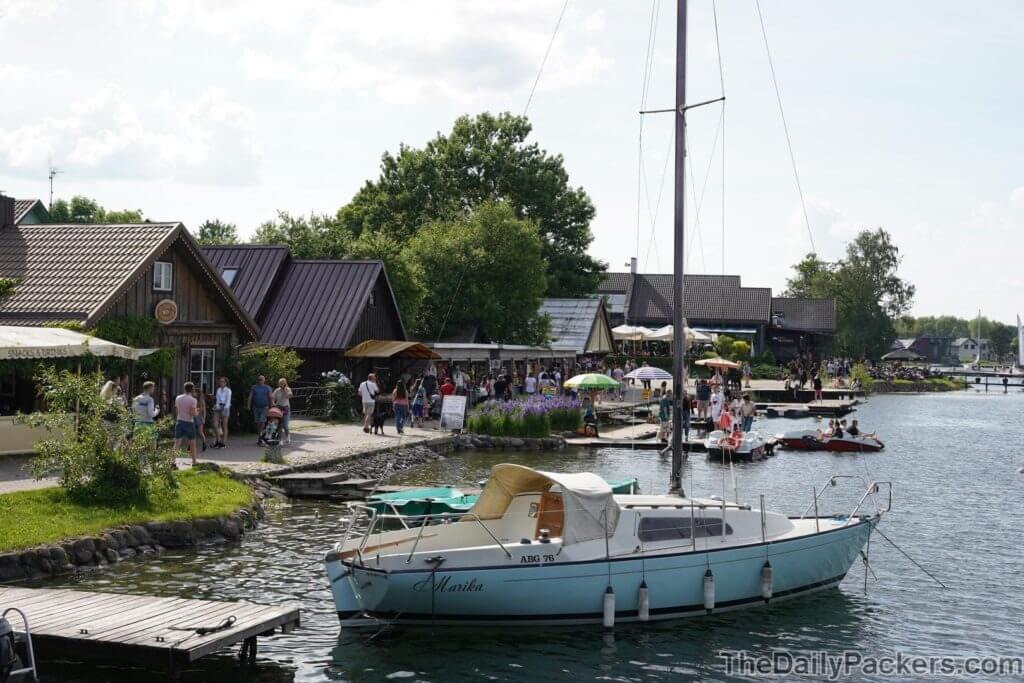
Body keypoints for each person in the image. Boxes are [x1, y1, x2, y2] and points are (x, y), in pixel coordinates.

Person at [174, 381, 199, 466]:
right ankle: (194, 461)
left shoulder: (178, 398)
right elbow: (192, 413)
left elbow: (177, 410)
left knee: (177, 443)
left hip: (180, 421)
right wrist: (197, 412)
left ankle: (172, 461)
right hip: (189, 422)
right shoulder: (193, 400)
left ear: (184, 388)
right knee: (192, 443)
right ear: (192, 389)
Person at [132, 381, 159, 448]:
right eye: (153, 388)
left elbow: (133, 411)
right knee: (152, 445)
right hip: (148, 424)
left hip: (138, 423)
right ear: (149, 388)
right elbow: (151, 414)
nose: (154, 389)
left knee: (138, 446)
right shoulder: (150, 399)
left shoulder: (136, 398)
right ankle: (151, 458)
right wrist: (157, 411)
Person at [248, 375, 274, 445]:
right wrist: (248, 405)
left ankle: (261, 438)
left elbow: (271, 397)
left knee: (262, 422)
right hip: (256, 407)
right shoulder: (254, 387)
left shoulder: (267, 388)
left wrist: (272, 406)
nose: (260, 381)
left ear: (264, 380)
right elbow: (250, 396)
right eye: (259, 379)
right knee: (257, 423)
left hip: (264, 407)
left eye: (261, 379)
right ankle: (260, 437)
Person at [272, 378, 293, 444]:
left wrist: (284, 390)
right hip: (279, 408)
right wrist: (273, 403)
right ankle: (280, 439)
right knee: (279, 425)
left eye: (282, 383)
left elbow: (289, 396)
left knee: (285, 425)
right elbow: (272, 398)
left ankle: (288, 436)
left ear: (285, 383)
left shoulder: (288, 389)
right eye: (280, 383)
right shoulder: (277, 390)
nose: (281, 385)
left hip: (286, 408)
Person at [212, 376, 232, 449]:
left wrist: (225, 409)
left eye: (223, 381)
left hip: (225, 406)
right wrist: (217, 406)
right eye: (220, 381)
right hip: (218, 406)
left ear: (226, 383)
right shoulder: (218, 390)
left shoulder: (228, 390)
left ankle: (223, 442)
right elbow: (217, 400)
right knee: (215, 424)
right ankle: (218, 440)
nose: (221, 383)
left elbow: (228, 401)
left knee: (224, 425)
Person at [194, 383, 209, 452]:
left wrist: (204, 418)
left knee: (200, 432)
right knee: (192, 432)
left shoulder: (201, 401)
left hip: (199, 417)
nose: (194, 393)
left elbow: (204, 411)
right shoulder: (193, 400)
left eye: (195, 392)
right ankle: (189, 446)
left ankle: (204, 443)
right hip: (193, 417)